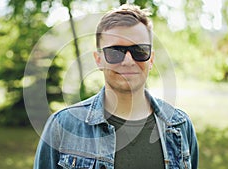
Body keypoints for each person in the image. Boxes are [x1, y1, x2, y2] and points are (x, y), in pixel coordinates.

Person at [34, 4, 198, 169]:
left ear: (151, 59)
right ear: (98, 59)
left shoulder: (181, 126)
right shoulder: (62, 127)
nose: (128, 61)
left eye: (140, 50)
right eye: (115, 52)